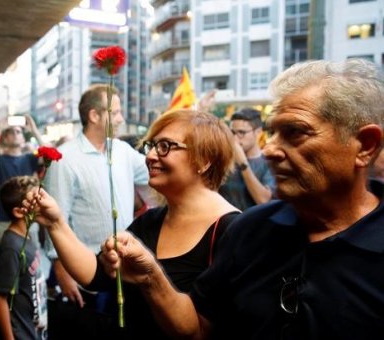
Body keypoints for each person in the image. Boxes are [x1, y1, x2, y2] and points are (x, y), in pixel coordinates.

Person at [100, 59, 384, 339]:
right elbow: (197, 327)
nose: (271, 149)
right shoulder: (250, 230)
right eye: (273, 132)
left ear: (365, 146)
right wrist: (152, 278)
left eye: (295, 132)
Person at [26, 110, 240, 338]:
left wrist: (151, 277)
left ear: (204, 161)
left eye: (165, 146)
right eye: (152, 146)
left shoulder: (233, 231)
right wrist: (56, 223)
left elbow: (196, 332)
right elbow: (97, 274)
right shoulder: (151, 221)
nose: (150, 157)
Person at [42, 84, 149, 338]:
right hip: (85, 269)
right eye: (116, 112)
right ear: (94, 116)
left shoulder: (122, 151)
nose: (122, 119)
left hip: (123, 265)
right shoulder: (64, 159)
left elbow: (153, 174)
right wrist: (61, 270)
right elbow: (54, 219)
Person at [0, 176, 46, 340]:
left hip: (32, 328)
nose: (44, 202)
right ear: (18, 211)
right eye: (37, 200)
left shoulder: (26, 236)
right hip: (19, 333)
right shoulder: (11, 247)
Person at [0, 114, 44, 243]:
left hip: (29, 221)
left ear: (23, 138)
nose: (15, 134)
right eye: (11, 132)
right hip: (5, 222)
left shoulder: (29, 159)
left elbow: (49, 155)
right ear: (5, 138)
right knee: (8, 262)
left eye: (18, 131)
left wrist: (34, 130)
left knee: (32, 262)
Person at [218, 108, 275, 211]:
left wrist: (243, 163)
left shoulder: (270, 162)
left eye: (241, 132)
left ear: (258, 132)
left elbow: (264, 201)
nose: (235, 138)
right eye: (232, 132)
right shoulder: (224, 160)